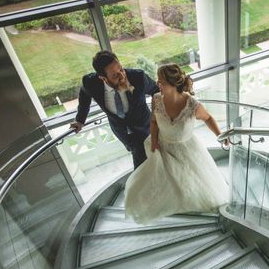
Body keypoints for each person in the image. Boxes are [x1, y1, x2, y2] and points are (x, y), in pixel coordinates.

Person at [123, 63, 229, 224]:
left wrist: (220, 135)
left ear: (173, 84)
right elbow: (153, 121)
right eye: (158, 81)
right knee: (166, 182)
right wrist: (154, 142)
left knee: (191, 181)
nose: (158, 85)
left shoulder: (192, 104)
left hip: (187, 149)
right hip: (163, 147)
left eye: (161, 82)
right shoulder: (157, 99)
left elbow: (208, 118)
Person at [69, 50, 159, 169]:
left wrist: (156, 116)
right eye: (115, 75)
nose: (122, 76)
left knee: (143, 166)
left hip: (145, 129)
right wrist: (80, 120)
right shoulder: (90, 83)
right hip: (122, 132)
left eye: (121, 69)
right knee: (143, 159)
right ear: (103, 78)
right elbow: (85, 96)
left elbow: (157, 91)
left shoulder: (138, 78)